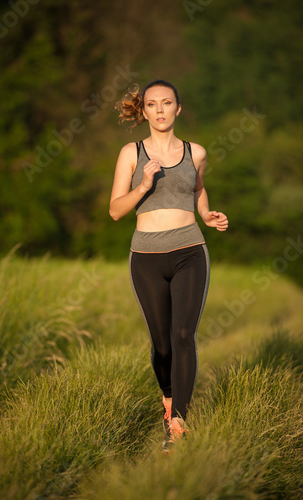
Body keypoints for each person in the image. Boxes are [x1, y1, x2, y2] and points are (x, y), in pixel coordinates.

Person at [109, 80, 228, 452]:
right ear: (143, 111)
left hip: (190, 249)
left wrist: (206, 214)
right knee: (162, 346)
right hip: (145, 256)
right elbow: (115, 211)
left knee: (182, 337)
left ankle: (178, 421)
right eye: (152, 104)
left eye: (167, 103)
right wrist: (143, 184)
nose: (160, 110)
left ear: (179, 108)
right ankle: (167, 397)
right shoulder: (132, 152)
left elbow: (196, 188)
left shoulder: (197, 152)